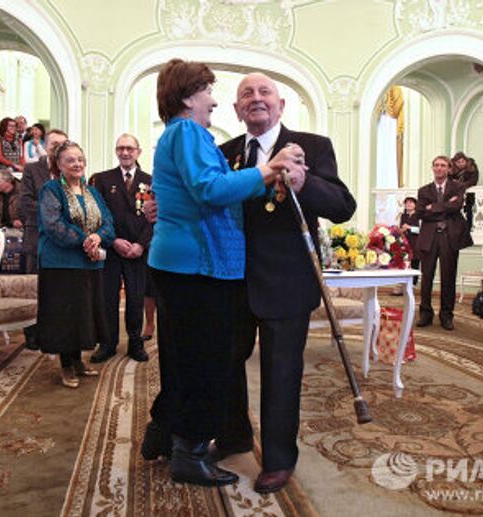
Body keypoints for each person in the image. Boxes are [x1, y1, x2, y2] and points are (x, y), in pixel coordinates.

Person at [146, 60, 306, 487]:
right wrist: (267, 170)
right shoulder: (188, 132)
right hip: (196, 265)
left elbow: (196, 188)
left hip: (191, 264)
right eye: (207, 91)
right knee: (204, 363)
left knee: (191, 359)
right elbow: (210, 189)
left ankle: (170, 436)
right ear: (187, 97)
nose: (213, 99)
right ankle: (189, 452)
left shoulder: (182, 135)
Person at [205, 72, 355, 493]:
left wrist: (306, 183)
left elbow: (343, 206)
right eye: (246, 94)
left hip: (286, 283)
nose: (256, 99)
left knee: (282, 371)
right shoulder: (225, 151)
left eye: (264, 92)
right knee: (228, 363)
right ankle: (233, 435)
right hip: (231, 279)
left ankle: (278, 458)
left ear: (281, 104)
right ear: (236, 110)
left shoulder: (313, 146)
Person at [36, 140, 115, 388]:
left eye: (80, 159)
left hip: (89, 266)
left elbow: (109, 222)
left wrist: (98, 237)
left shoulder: (92, 191)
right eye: (70, 160)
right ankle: (66, 366)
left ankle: (78, 361)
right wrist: (86, 241)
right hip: (60, 264)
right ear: (59, 165)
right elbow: (53, 226)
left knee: (84, 316)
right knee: (65, 316)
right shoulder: (51, 189)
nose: (77, 164)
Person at [90, 134, 153, 364]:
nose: (125, 153)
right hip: (112, 248)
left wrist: (141, 244)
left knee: (136, 298)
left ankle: (135, 343)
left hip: (137, 251)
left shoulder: (151, 180)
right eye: (120, 148)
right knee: (107, 298)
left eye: (129, 148)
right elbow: (95, 215)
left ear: (138, 151)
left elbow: (155, 219)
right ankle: (107, 343)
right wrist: (113, 240)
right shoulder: (102, 180)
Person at [415, 155, 473, 330]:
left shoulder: (458, 187)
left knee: (448, 277)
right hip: (429, 237)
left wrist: (433, 207)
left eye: (443, 165)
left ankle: (447, 315)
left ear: (449, 169)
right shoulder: (424, 191)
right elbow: (420, 213)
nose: (439, 168)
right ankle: (425, 313)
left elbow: (457, 207)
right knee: (427, 277)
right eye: (436, 165)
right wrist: (445, 205)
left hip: (450, 236)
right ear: (432, 168)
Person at [20, 129, 68, 274]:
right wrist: (55, 212)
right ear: (45, 146)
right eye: (55, 144)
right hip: (37, 238)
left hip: (64, 242)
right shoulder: (31, 169)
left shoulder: (72, 171)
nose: (59, 147)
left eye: (63, 144)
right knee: (33, 290)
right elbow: (26, 202)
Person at [450, 151, 479, 229]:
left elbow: (474, 180)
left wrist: (462, 185)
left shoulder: (472, 167)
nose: (461, 164)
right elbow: (448, 180)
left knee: (469, 209)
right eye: (458, 162)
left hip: (468, 193)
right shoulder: (451, 169)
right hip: (455, 194)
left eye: (462, 161)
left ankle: (468, 227)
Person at [399, 196, 420, 281]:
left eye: (411, 202)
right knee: (404, 263)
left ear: (415, 205)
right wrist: (401, 230)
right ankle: (403, 283)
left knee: (415, 263)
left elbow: (421, 230)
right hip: (405, 243)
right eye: (406, 203)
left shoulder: (419, 216)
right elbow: (400, 228)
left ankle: (413, 284)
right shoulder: (403, 216)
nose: (408, 204)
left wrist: (409, 227)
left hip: (416, 243)